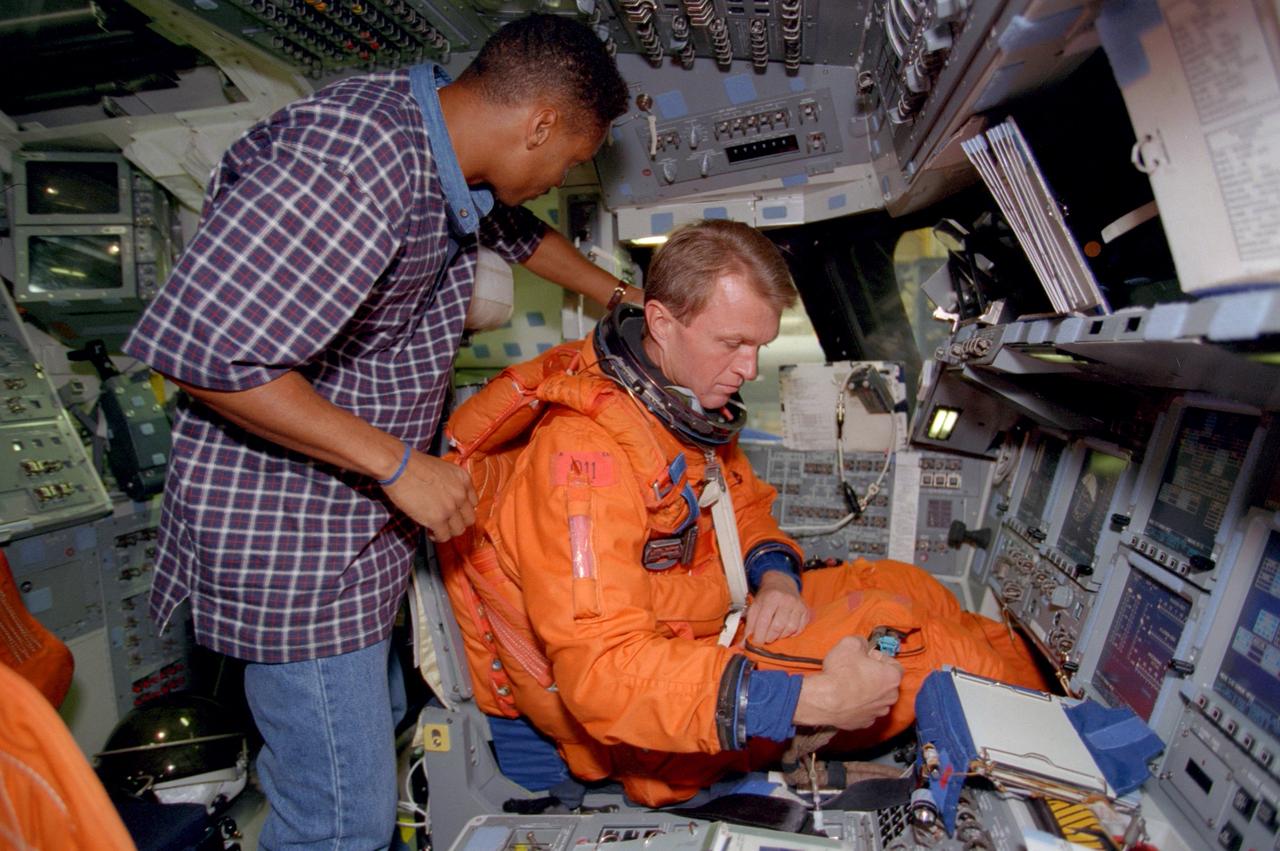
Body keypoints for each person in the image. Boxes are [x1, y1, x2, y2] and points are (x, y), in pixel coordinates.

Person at [123, 14, 631, 849]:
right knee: (340, 819)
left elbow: (518, 234)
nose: (558, 179)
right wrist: (400, 465)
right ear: (539, 124)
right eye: (570, 160)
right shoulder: (355, 162)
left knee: (383, 729)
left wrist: (620, 298)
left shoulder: (450, 156)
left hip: (354, 527)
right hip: (291, 537)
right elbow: (205, 355)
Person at [437, 219, 1048, 806]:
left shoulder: (676, 410)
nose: (749, 369)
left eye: (759, 346)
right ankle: (1067, 779)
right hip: (664, 707)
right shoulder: (583, 462)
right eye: (732, 344)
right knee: (931, 650)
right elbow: (605, 676)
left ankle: (1055, 715)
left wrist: (775, 577)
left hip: (717, 619)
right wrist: (814, 699)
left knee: (909, 586)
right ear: (661, 322)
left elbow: (743, 504)